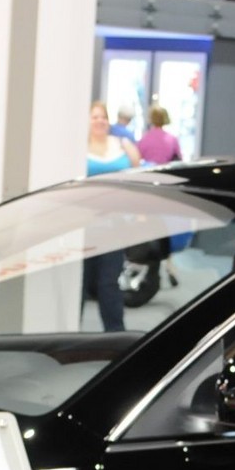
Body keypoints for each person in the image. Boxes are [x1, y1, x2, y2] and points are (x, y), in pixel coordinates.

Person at [84, 101, 135, 333]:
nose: (100, 121)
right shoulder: (79, 146)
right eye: (94, 117)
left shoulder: (120, 144)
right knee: (80, 284)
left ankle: (116, 336)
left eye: (103, 117)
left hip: (115, 223)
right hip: (83, 224)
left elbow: (136, 166)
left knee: (109, 284)